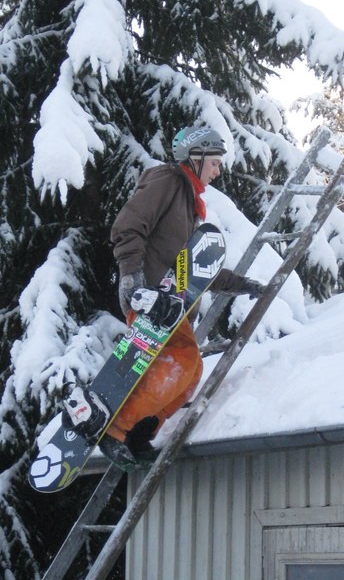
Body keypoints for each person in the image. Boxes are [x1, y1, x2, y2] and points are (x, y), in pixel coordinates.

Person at [63, 125, 264, 470]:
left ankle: (139, 433)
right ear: (196, 157)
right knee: (183, 359)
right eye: (214, 162)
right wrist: (131, 276)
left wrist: (241, 284)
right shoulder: (169, 181)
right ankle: (115, 428)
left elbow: (194, 270)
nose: (218, 170)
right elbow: (128, 225)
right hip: (149, 296)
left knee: (192, 370)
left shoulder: (190, 204)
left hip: (171, 303)